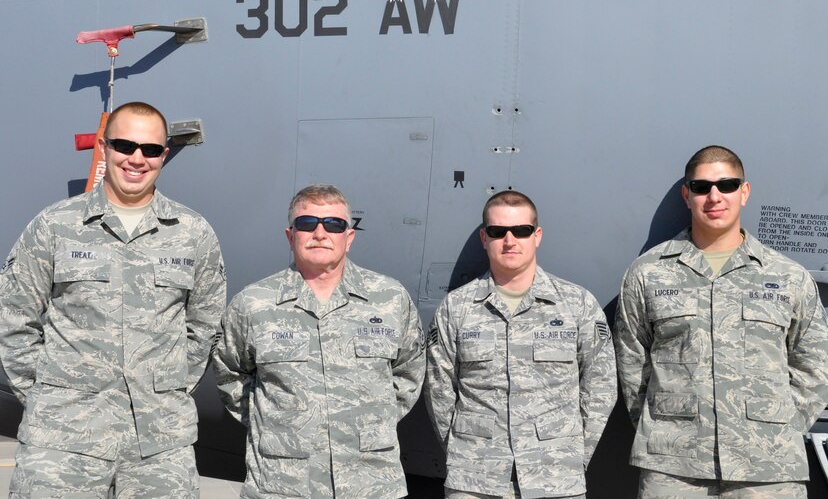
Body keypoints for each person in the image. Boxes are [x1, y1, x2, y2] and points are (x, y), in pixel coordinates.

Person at [0, 102, 226, 497]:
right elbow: (14, 316)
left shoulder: (193, 233)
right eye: (124, 145)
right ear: (103, 147)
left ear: (164, 155)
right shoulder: (55, 226)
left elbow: (204, 327)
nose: (136, 158)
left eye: (151, 149)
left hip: (159, 445)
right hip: (63, 441)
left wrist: (163, 388)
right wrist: (49, 394)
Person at [614, 145, 828, 499]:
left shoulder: (788, 276)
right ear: (687, 195)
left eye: (727, 185)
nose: (715, 196)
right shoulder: (648, 273)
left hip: (768, 467)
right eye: (701, 187)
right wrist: (665, 427)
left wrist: (779, 427)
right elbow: (632, 363)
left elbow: (815, 364)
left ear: (744, 192)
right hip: (674, 468)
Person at [212, 184, 425, 499]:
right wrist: (276, 425)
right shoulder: (254, 304)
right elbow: (230, 373)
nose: (320, 233)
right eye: (307, 223)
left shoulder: (390, 299)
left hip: (370, 481)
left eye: (334, 224)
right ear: (290, 235)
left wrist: (368, 423)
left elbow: (409, 371)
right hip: (283, 483)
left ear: (348, 237)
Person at [425, 190, 617, 499]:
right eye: (498, 232)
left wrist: (572, 454)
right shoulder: (456, 307)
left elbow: (601, 385)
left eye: (521, 231)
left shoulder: (576, 304)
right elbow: (439, 390)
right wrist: (465, 452)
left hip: (555, 478)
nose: (510, 240)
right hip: (475, 479)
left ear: (537, 235)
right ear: (484, 238)